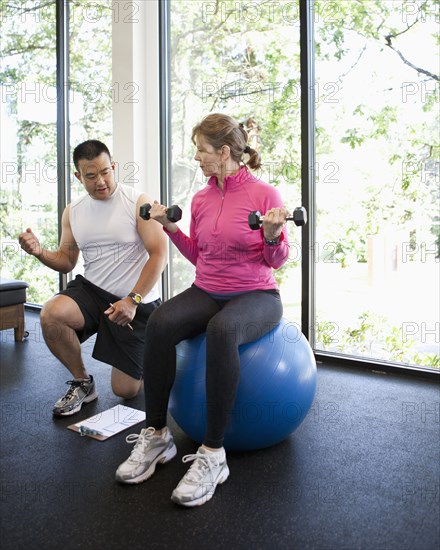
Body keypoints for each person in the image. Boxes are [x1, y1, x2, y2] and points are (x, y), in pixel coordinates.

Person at [115, 113, 291, 507]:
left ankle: (213, 454)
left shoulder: (265, 195)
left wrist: (273, 235)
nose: (196, 157)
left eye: (201, 150)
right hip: (208, 288)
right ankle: (157, 435)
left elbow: (276, 261)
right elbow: (201, 256)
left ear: (224, 152)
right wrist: (171, 228)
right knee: (159, 321)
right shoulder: (202, 198)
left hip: (257, 296)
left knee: (222, 330)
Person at [18, 140, 168, 416]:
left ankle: (157, 353)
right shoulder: (73, 212)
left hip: (134, 301)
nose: (100, 181)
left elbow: (159, 254)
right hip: (93, 291)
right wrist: (39, 252)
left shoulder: (138, 202)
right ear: (78, 176)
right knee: (51, 314)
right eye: (91, 175)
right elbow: (66, 261)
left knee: (125, 390)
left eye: (105, 172)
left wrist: (133, 300)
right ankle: (82, 382)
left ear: (113, 167)